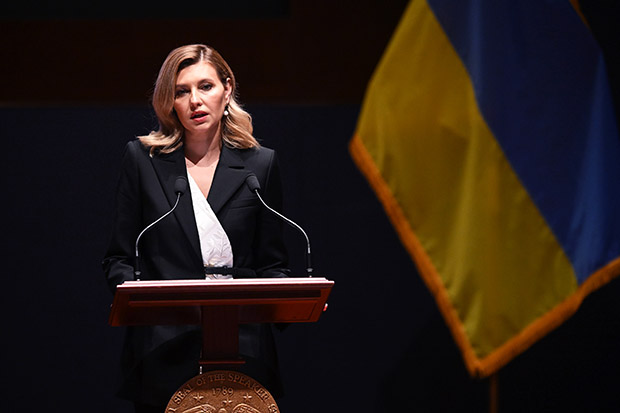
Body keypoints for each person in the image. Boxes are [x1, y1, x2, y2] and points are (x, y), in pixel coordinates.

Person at [102, 44, 290, 412]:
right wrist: (144, 309)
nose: (195, 101)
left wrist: (286, 305)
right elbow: (119, 258)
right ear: (169, 101)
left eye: (205, 87)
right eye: (182, 91)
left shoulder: (261, 165)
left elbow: (273, 264)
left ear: (227, 89)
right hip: (163, 349)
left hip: (242, 348)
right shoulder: (143, 160)